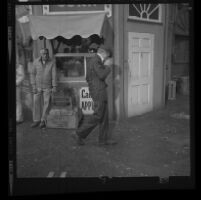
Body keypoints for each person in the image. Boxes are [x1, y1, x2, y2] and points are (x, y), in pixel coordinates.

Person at [72, 45, 117, 146]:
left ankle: (103, 140)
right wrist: (108, 66)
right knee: (98, 115)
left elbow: (88, 77)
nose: (107, 59)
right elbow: (101, 75)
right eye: (107, 57)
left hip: (98, 90)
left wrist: (94, 86)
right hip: (99, 92)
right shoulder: (96, 60)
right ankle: (78, 133)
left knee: (104, 117)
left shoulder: (93, 60)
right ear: (104, 53)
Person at [30, 48, 57, 129]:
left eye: (46, 53)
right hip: (37, 86)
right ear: (40, 54)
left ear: (48, 53)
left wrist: (54, 86)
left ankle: (43, 120)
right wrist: (33, 86)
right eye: (43, 54)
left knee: (46, 103)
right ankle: (36, 120)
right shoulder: (35, 62)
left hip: (47, 86)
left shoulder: (52, 62)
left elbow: (54, 75)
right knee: (36, 103)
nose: (45, 55)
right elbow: (32, 74)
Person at [16, 55, 25, 124]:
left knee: (18, 102)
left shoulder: (19, 66)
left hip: (17, 86)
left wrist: (16, 83)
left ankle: (19, 118)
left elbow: (22, 76)